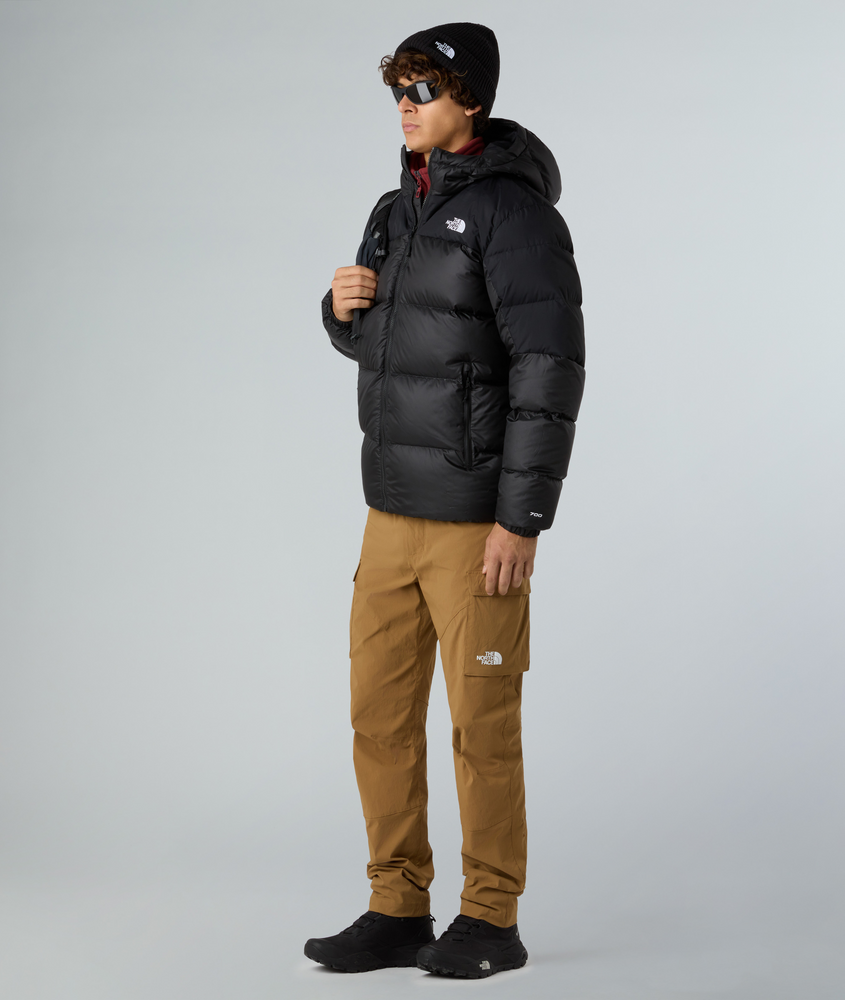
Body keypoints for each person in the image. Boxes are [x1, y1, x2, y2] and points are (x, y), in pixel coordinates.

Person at [304, 22, 585, 979]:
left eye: (423, 88)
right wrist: (341, 310)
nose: (406, 105)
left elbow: (549, 369)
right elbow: (389, 344)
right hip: (389, 513)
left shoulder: (515, 215)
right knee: (378, 718)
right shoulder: (396, 209)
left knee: (481, 728)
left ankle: (491, 918)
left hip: (476, 527)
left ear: (472, 98)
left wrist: (521, 520)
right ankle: (396, 906)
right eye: (399, 88)